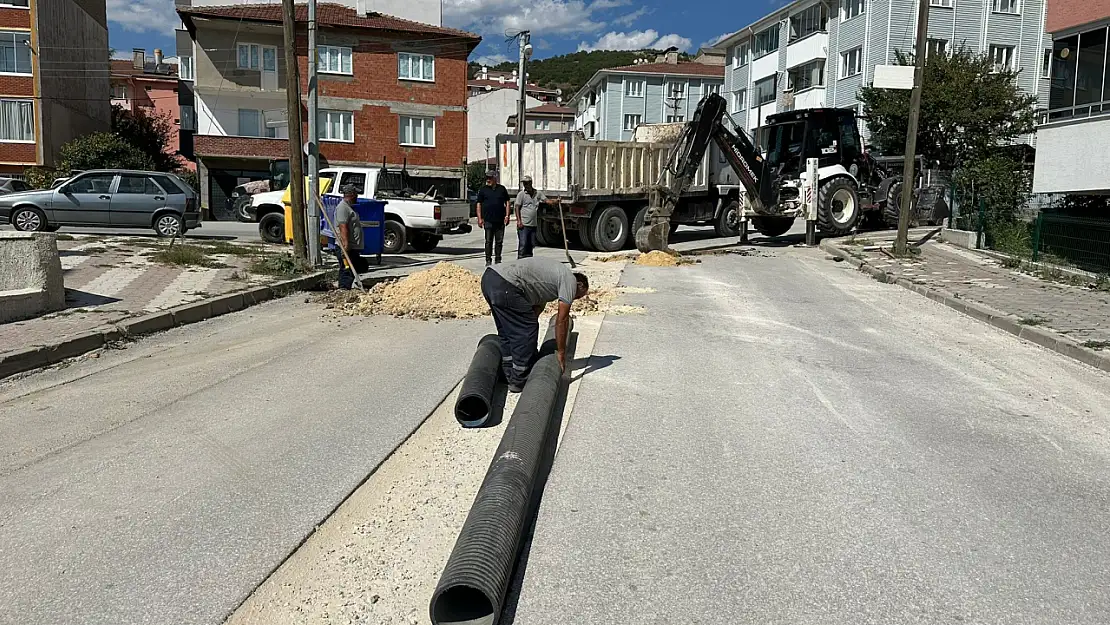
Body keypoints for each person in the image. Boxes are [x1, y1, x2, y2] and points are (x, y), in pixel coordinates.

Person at [481, 257, 589, 392]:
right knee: (526, 329)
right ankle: (519, 379)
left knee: (508, 330)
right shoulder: (570, 280)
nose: (575, 298)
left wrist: (530, 349)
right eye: (578, 296)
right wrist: (561, 353)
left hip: (490, 278)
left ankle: (508, 373)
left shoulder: (549, 281)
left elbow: (534, 311)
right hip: (506, 284)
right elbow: (562, 320)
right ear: (579, 285)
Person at [334, 185, 369, 289]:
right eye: (356, 194)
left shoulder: (348, 207)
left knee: (356, 266)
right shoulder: (342, 208)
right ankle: (344, 289)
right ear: (352, 195)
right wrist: (346, 244)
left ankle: (346, 287)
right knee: (347, 269)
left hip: (352, 247)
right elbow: (343, 227)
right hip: (347, 246)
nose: (357, 196)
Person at [475, 170, 510, 266]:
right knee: (488, 241)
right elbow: (479, 204)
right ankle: (488, 260)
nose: (488, 180)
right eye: (487, 178)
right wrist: (479, 218)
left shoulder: (502, 189)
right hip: (488, 220)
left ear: (495, 178)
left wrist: (507, 215)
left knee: (499, 242)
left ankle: (498, 259)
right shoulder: (483, 190)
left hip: (500, 221)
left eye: (490, 178)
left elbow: (507, 202)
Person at [514, 175, 546, 259]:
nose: (525, 185)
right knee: (523, 244)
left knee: (531, 244)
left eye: (527, 183)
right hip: (524, 225)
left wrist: (556, 201)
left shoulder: (537, 193)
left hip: (533, 225)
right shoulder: (521, 194)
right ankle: (520, 260)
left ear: (531, 183)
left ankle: (529, 260)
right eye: (524, 183)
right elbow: (517, 207)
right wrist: (519, 221)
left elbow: (546, 200)